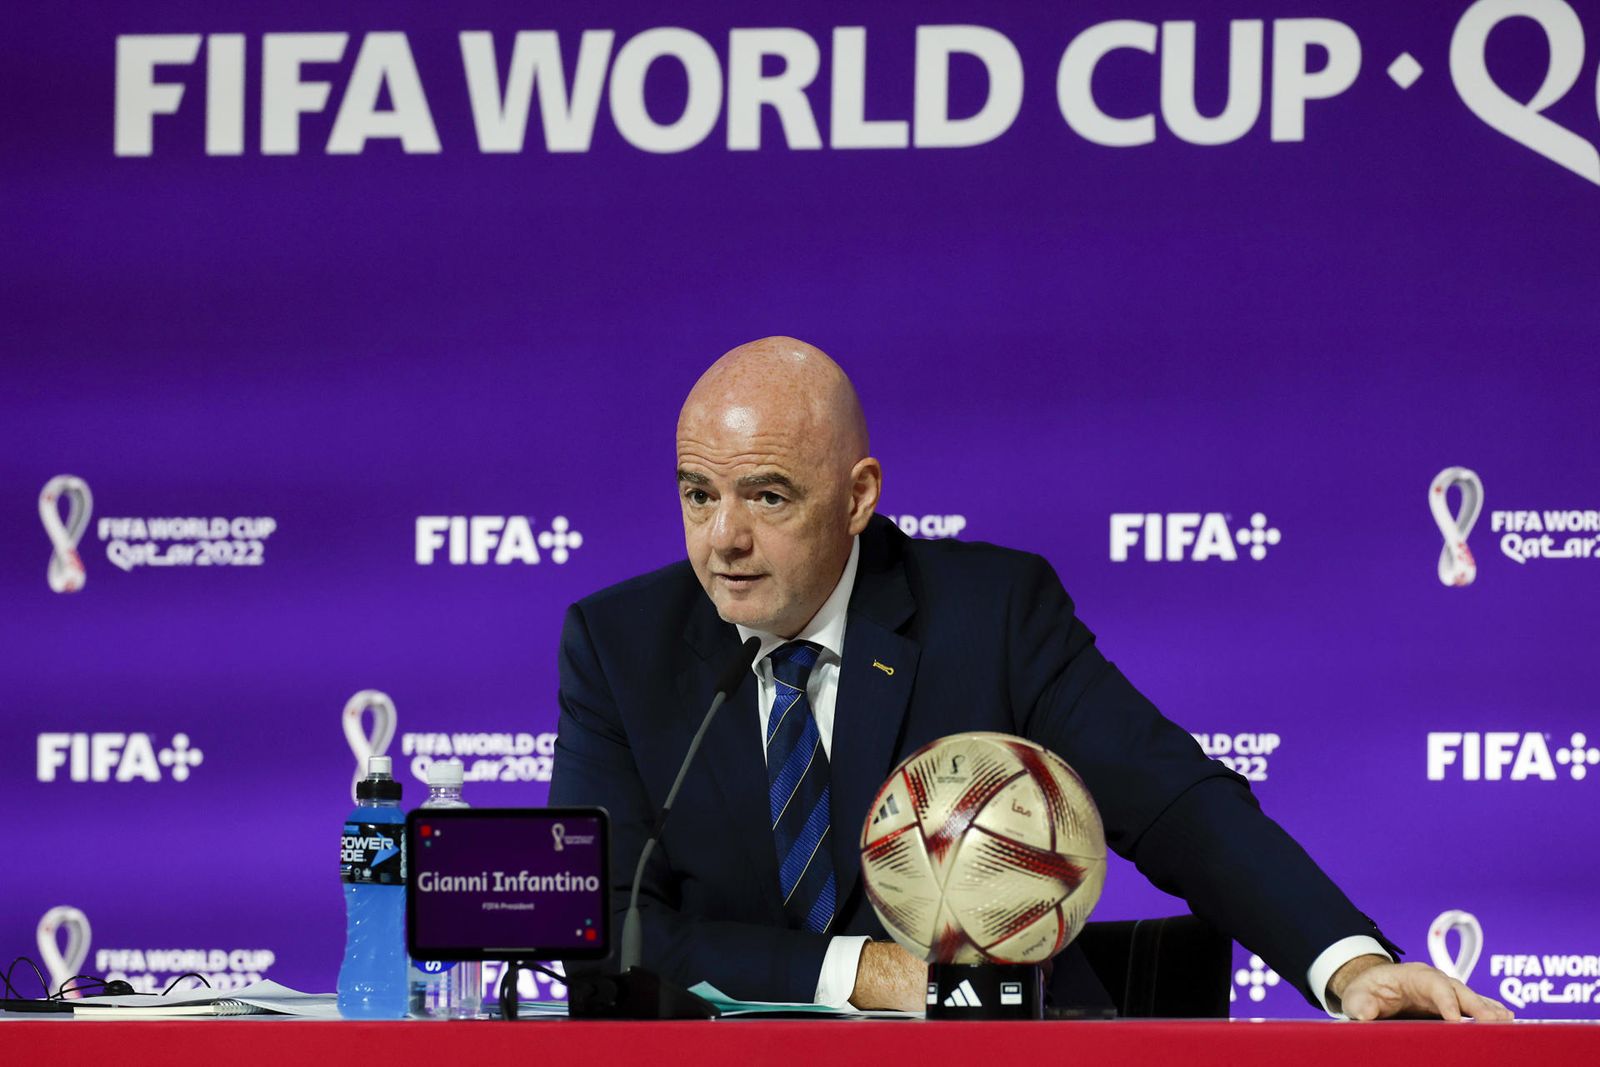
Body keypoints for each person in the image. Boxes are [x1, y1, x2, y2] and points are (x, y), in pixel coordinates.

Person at [550, 336, 1510, 1020]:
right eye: (697, 495)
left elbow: (1176, 803)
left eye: (767, 496)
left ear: (858, 497)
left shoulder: (991, 613)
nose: (724, 540)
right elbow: (608, 921)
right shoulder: (620, 642)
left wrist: (1345, 964)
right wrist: (864, 972)